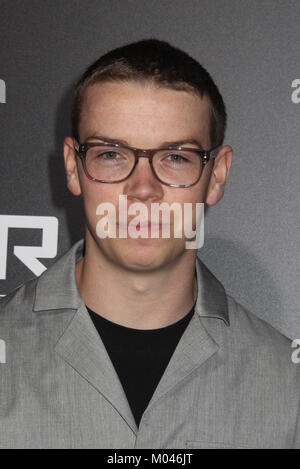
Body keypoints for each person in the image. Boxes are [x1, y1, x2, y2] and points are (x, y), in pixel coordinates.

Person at [0, 39, 299, 449]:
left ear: (217, 175)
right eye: (111, 154)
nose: (143, 190)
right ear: (73, 167)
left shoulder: (288, 389)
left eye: (176, 157)